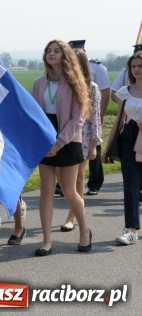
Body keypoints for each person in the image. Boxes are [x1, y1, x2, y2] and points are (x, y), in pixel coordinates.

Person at [31, 40, 91, 256]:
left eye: (56, 51)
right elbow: (34, 115)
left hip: (68, 139)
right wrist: (42, 141)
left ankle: (84, 231)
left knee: (69, 191)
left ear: (65, 56)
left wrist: (59, 143)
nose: (51, 54)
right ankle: (47, 241)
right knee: (46, 190)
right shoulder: (39, 83)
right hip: (45, 140)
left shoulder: (76, 83)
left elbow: (78, 120)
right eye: (48, 50)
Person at [60, 49, 100, 231]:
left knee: (78, 178)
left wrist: (94, 145)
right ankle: (76, 211)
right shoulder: (63, 84)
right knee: (62, 181)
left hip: (82, 137)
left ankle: (73, 216)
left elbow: (95, 118)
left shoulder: (92, 87)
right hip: (64, 134)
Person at [104, 51, 142, 246]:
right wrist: (108, 148)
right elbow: (119, 121)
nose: (136, 69)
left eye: (140, 66)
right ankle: (131, 230)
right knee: (131, 186)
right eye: (134, 66)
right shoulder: (124, 92)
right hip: (129, 138)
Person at [68, 40, 109, 195]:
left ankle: (94, 184)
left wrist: (94, 141)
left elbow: (105, 94)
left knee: (80, 175)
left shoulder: (96, 72)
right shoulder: (62, 83)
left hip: (84, 132)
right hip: (66, 133)